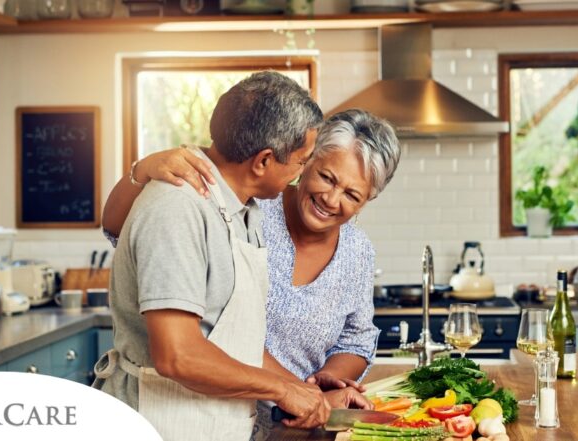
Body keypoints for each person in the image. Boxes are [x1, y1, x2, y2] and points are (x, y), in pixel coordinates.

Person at [94, 71, 341, 441]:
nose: (301, 174)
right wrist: (283, 391)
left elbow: (234, 344)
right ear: (263, 161)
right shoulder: (178, 207)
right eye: (301, 162)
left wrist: (313, 396)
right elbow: (178, 356)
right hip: (159, 426)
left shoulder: (243, 209)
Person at [102, 109, 401, 394]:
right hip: (207, 407)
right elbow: (119, 229)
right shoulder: (250, 205)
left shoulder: (357, 251)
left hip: (296, 420)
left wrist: (323, 384)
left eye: (351, 195)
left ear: (366, 202)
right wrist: (141, 171)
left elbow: (356, 338)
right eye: (327, 177)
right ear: (306, 161)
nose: (331, 199)